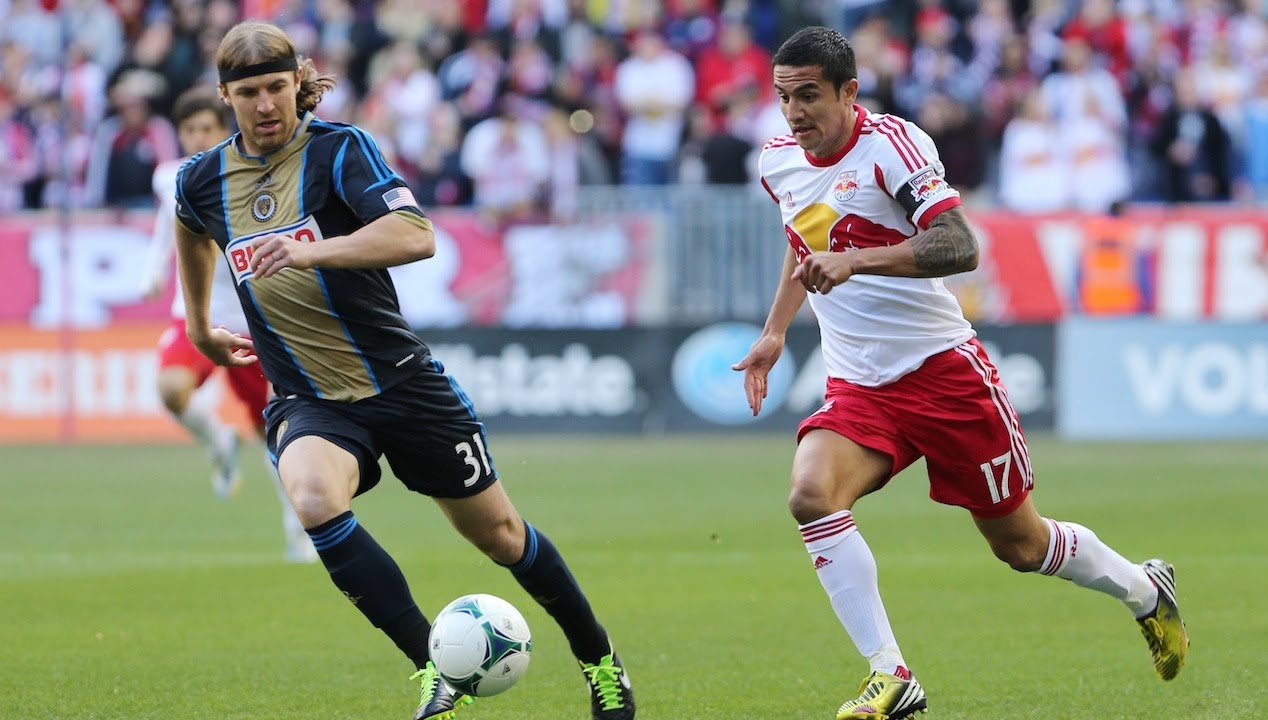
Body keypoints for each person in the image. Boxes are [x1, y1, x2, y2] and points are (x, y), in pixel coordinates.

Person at [172, 21, 634, 720]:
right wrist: (200, 325)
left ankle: (599, 659)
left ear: (298, 83)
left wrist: (310, 251)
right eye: (249, 93)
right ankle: (432, 669)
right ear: (224, 95)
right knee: (313, 497)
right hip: (310, 397)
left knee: (502, 536)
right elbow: (188, 224)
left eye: (276, 87)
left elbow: (416, 234)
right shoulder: (202, 179)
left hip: (402, 383)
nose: (265, 105)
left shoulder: (340, 150)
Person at [733, 27, 1188, 720]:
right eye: (784, 97)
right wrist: (774, 330)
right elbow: (803, 238)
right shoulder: (778, 161)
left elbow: (959, 245)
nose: (795, 112)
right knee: (810, 495)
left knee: (1021, 545)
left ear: (849, 92)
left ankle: (1145, 592)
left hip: (943, 374)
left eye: (809, 96)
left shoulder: (893, 146)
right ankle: (891, 676)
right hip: (859, 384)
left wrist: (856, 261)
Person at [141, 87, 316, 564]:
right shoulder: (171, 177)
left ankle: (299, 533)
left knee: (273, 432)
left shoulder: (249, 173)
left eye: (207, 128)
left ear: (224, 130)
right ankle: (218, 440)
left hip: (252, 322)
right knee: (171, 389)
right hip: (196, 315)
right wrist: (153, 271)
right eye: (190, 129)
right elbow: (168, 224)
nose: (198, 137)